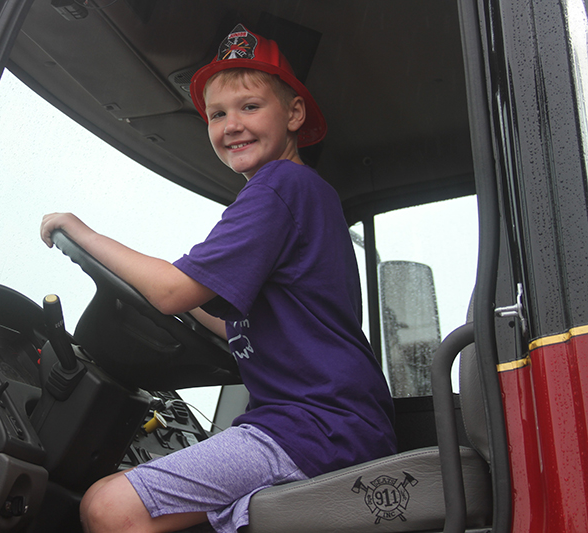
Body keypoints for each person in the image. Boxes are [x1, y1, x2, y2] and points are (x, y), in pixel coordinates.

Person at [40, 24, 396, 533]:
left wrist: (79, 232)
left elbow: (171, 291)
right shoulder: (301, 193)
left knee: (107, 507)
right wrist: (169, 289)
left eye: (250, 107)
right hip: (338, 424)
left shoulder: (279, 186)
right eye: (217, 114)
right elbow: (225, 320)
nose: (232, 125)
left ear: (294, 114)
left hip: (313, 427)